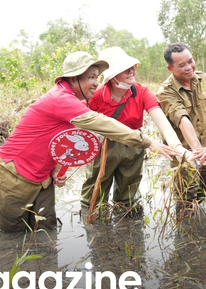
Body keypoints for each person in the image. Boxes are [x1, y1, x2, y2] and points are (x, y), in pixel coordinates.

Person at [0, 51, 176, 233]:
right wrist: (148, 142)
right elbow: (103, 124)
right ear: (73, 79)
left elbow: (65, 140)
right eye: (90, 77)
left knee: (46, 230)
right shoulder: (62, 99)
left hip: (44, 177)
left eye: (97, 77)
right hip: (15, 173)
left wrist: (57, 168)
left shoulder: (76, 100)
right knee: (14, 235)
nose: (96, 82)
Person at [80, 47, 188, 215]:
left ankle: (128, 230)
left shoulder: (142, 92)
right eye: (125, 69)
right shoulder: (96, 95)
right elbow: (80, 125)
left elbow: (162, 121)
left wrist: (177, 146)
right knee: (95, 193)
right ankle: (95, 231)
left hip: (134, 144)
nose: (132, 71)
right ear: (112, 76)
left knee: (128, 196)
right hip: (103, 145)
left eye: (132, 67)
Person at [155, 42, 206, 211]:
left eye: (190, 61)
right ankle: (184, 232)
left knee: (202, 193)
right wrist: (198, 152)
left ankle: (199, 228)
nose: (189, 67)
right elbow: (182, 119)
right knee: (186, 199)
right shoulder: (166, 91)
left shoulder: (202, 78)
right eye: (182, 65)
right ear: (170, 68)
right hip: (184, 154)